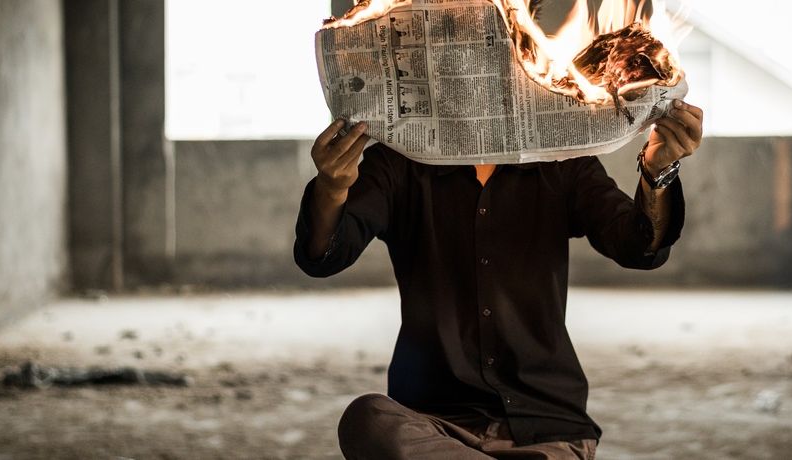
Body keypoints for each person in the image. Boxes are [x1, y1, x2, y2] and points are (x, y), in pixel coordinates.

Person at [294, 100, 704, 459]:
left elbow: (639, 247)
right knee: (368, 420)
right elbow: (325, 256)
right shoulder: (399, 163)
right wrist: (332, 187)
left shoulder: (561, 160)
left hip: (546, 428)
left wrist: (659, 169)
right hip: (435, 424)